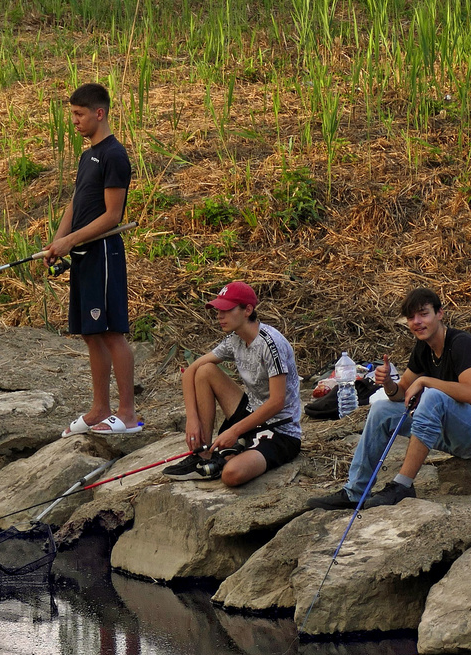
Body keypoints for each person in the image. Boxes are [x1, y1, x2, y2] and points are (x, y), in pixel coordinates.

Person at [308, 287, 471, 510]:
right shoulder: (423, 348)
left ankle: (403, 485)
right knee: (381, 410)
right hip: (453, 433)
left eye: (423, 314)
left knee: (433, 396)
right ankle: (355, 491)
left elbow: (470, 393)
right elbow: (402, 393)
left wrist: (426, 382)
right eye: (411, 317)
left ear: (440, 314)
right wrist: (387, 383)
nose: (417, 322)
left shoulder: (461, 344)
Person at [44, 83, 140, 438]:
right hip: (82, 253)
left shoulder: (115, 155)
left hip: (102, 252)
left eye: (79, 114)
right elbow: (76, 202)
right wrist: (59, 240)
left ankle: (127, 414)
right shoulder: (88, 156)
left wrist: (71, 240)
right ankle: (100, 408)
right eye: (72, 114)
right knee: (90, 334)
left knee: (112, 332)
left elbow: (113, 215)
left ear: (99, 113)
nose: (74, 121)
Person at [163, 281, 303, 485]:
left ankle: (232, 453)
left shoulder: (271, 344)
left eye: (226, 310)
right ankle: (203, 456)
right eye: (218, 310)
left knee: (231, 475)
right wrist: (192, 420)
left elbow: (277, 402)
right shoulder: (235, 339)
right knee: (204, 371)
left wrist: (234, 430)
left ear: (247, 310)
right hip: (252, 414)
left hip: (281, 431)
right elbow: (190, 372)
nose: (219, 316)